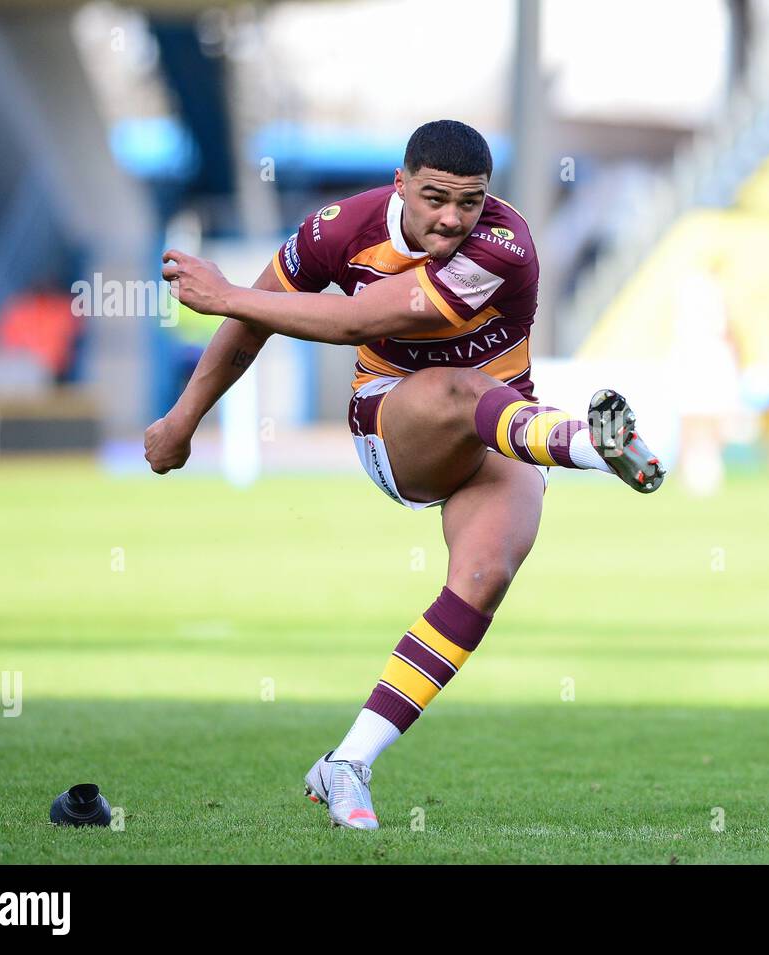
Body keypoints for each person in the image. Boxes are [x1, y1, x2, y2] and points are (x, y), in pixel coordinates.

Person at [146, 120, 665, 831]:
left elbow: (356, 319)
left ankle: (347, 762)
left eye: (470, 201)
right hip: (395, 424)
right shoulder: (338, 230)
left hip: (504, 432)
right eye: (435, 198)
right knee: (457, 389)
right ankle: (593, 446)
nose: (453, 218)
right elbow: (253, 326)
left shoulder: (503, 248)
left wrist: (229, 293)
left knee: (483, 578)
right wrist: (183, 420)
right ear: (400, 183)